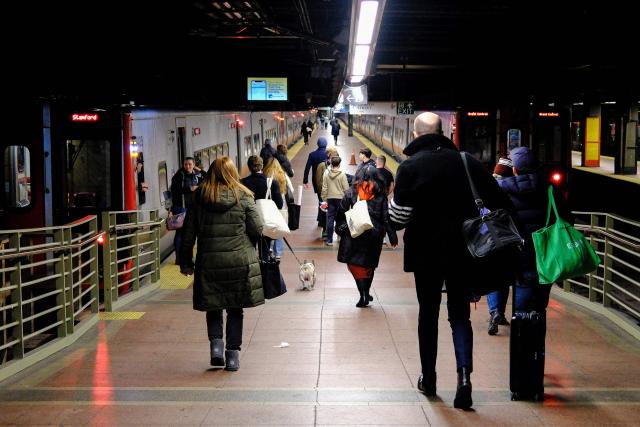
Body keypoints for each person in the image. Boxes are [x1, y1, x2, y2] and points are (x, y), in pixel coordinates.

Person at [389, 112, 513, 410]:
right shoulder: (467, 162)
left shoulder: (409, 166)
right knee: (460, 316)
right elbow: (500, 203)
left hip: (425, 255)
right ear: (444, 132)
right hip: (464, 252)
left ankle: (429, 379)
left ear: (416, 135)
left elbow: (397, 219)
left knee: (427, 315)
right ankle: (464, 380)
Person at [179, 157, 264, 372]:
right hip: (238, 261)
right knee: (235, 309)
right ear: (233, 172)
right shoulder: (243, 195)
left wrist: (186, 263)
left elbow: (188, 234)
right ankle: (233, 356)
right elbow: (257, 228)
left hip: (209, 262)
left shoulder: (199, 197)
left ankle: (216, 348)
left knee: (214, 306)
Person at [498, 147, 555, 317]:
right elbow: (566, 218)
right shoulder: (550, 190)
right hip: (546, 256)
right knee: (539, 309)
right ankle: (537, 341)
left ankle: (521, 338)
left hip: (519, 254)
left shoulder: (503, 191)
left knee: (521, 308)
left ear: (514, 169)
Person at [335, 165, 398, 307]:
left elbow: (341, 213)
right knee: (369, 265)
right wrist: (392, 235)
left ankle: (363, 294)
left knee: (354, 264)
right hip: (374, 234)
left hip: (355, 233)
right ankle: (366, 292)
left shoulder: (351, 193)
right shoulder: (381, 195)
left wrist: (340, 227)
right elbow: (385, 217)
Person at [486, 156, 515, 335]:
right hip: (511, 240)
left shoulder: (487, 187)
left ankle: (495, 311)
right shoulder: (513, 189)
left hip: (492, 239)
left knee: (493, 277)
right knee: (504, 278)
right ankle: (501, 313)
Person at [241, 155, 284, 259]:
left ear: (249, 167)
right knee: (264, 251)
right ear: (262, 166)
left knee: (249, 251)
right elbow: (279, 204)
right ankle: (264, 271)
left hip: (248, 222)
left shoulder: (242, 183)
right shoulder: (272, 182)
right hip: (265, 222)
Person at [170, 157, 203, 265]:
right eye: (185, 164)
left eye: (190, 164)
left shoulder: (196, 174)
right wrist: (189, 189)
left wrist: (201, 170)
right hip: (181, 208)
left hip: (193, 208)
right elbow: (175, 190)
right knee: (180, 233)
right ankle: (179, 259)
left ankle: (188, 258)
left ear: (193, 165)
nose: (187, 166)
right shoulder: (179, 176)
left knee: (189, 234)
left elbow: (207, 178)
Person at [263, 156, 290, 260]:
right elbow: (287, 190)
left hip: (268, 205)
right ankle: (278, 252)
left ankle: (269, 248)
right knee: (279, 228)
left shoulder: (265, 175)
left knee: (269, 227)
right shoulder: (282, 175)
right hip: (280, 204)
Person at [321, 155, 349, 246]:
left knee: (330, 219)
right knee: (340, 218)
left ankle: (329, 240)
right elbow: (346, 189)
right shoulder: (342, 174)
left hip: (330, 198)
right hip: (340, 199)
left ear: (331, 163)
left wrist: (324, 199)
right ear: (339, 164)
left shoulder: (326, 173)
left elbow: (324, 188)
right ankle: (340, 236)